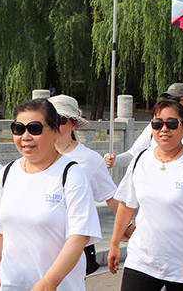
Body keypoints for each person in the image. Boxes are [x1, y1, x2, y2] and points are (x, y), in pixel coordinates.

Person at [0, 98, 101, 291]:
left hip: (57, 286)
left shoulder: (71, 174)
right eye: (19, 129)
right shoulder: (7, 173)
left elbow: (79, 237)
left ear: (55, 131)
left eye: (34, 129)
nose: (25, 136)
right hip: (12, 285)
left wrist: (49, 282)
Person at [108, 99, 183, 290]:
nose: (164, 129)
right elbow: (127, 205)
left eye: (171, 123)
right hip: (142, 260)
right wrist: (114, 243)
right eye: (157, 123)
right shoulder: (140, 160)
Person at [49, 94, 119, 274]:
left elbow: (111, 196)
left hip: (74, 243)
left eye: (61, 120)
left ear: (73, 124)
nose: (55, 125)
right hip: (42, 240)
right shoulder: (35, 157)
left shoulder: (89, 159)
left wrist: (126, 228)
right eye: (50, 119)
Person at [105, 83, 183, 168]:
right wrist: (114, 160)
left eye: (175, 99)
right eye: (167, 99)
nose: (164, 129)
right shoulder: (154, 127)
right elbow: (134, 154)